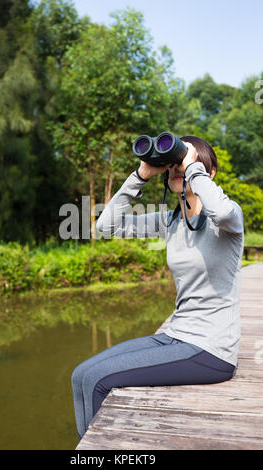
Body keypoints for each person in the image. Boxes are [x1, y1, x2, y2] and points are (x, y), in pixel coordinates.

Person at [71, 136, 244, 441]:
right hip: (175, 336)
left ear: (210, 173)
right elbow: (105, 227)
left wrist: (192, 168)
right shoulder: (171, 221)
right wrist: (140, 175)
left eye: (188, 162)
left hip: (211, 350)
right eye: (175, 164)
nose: (179, 168)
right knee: (81, 375)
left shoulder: (227, 220)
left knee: (99, 380)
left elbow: (223, 212)